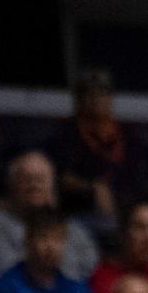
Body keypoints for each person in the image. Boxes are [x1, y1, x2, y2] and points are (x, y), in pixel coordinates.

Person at [48, 74, 140, 222]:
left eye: (102, 94)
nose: (96, 99)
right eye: (90, 94)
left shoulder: (125, 133)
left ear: (110, 98)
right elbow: (60, 177)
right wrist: (94, 188)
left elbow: (135, 175)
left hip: (123, 213)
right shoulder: (66, 133)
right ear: (79, 99)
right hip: (78, 213)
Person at [0, 157, 98, 283]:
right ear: (12, 185)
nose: (34, 186)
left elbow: (91, 268)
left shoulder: (74, 230)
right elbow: (5, 270)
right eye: (26, 179)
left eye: (40, 179)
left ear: (52, 186)